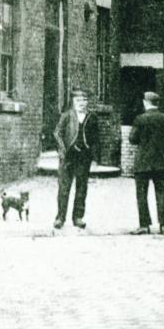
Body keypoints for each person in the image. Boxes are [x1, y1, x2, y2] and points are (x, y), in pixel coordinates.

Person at [128, 91, 164, 235]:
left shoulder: (140, 119)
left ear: (145, 103)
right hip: (161, 163)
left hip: (143, 163)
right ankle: (163, 225)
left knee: (141, 194)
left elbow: (132, 139)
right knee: (161, 192)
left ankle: (144, 225)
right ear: (157, 103)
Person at [53, 88, 99, 229]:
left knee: (82, 188)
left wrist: (95, 157)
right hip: (68, 157)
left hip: (84, 157)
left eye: (84, 100)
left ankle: (78, 217)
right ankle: (60, 218)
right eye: (78, 100)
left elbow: (96, 139)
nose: (82, 103)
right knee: (64, 188)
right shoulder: (67, 116)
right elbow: (57, 133)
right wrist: (62, 150)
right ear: (73, 101)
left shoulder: (92, 117)